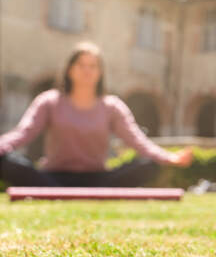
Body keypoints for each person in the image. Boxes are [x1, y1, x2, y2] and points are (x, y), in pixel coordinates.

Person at [0, 41, 193, 187]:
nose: (87, 71)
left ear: (100, 72)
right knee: (7, 162)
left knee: (149, 164)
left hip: (99, 180)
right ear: (69, 69)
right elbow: (23, 132)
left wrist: (168, 157)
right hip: (51, 178)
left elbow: (137, 140)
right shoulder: (49, 100)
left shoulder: (112, 106)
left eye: (93, 66)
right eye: (81, 65)